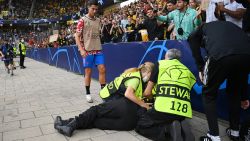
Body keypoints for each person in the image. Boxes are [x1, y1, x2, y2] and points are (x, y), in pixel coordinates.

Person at [54, 62, 154, 137]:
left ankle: (68, 124)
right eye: (151, 76)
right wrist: (143, 104)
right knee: (97, 118)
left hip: (119, 102)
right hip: (112, 99)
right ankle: (68, 124)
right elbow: (129, 94)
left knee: (96, 112)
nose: (151, 79)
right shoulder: (136, 78)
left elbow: (138, 94)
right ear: (148, 72)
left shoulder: (135, 75)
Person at [188, 21, 250, 141]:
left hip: (220, 54)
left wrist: (201, 67)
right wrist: (244, 96)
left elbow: (191, 38)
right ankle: (235, 132)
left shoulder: (202, 27)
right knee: (235, 93)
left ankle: (214, 136)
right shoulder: (229, 26)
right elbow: (242, 76)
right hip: (246, 55)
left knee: (208, 94)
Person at [135, 49, 196, 141]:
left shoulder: (160, 64)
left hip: (163, 109)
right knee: (168, 117)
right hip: (183, 112)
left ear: (166, 57)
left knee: (141, 124)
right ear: (179, 60)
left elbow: (147, 93)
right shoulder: (188, 72)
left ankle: (168, 131)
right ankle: (180, 122)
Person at [75, 0, 106, 103]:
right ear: (88, 8)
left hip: (98, 49)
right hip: (87, 51)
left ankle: (103, 93)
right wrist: (81, 49)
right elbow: (76, 36)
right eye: (93, 9)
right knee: (88, 72)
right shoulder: (82, 20)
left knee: (102, 69)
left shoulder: (98, 20)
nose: (95, 11)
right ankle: (88, 93)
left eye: (96, 9)